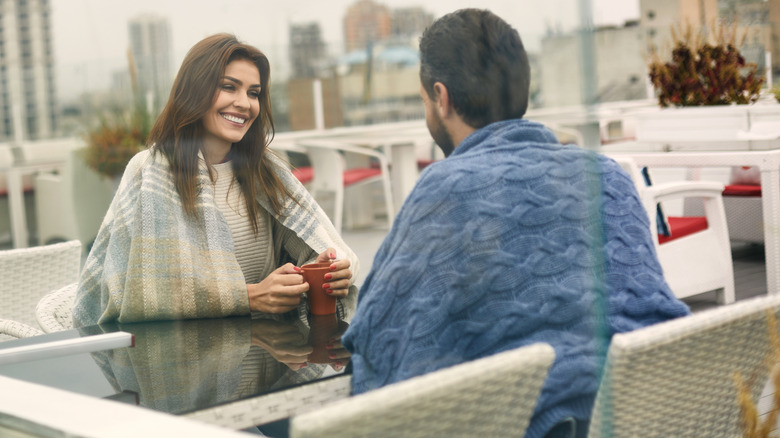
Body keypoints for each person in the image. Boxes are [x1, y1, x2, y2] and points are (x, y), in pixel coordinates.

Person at [341, 9, 690, 438]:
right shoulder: (609, 175)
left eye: (423, 101)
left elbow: (381, 333)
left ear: (441, 96)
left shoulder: (445, 188)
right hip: (651, 411)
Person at [74, 33, 358, 326]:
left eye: (253, 93)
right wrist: (248, 296)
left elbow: (323, 248)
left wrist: (329, 270)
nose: (244, 103)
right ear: (194, 91)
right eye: (228, 87)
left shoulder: (268, 171)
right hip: (184, 364)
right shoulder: (150, 172)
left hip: (274, 356)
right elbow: (135, 293)